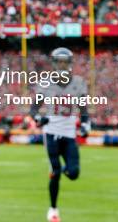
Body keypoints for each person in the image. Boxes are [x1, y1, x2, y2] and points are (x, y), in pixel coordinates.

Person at [30, 48, 90, 222]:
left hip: (69, 134)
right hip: (52, 133)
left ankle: (61, 171)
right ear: (54, 63)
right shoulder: (46, 83)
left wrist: (86, 124)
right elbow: (33, 109)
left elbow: (84, 110)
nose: (62, 65)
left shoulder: (78, 83)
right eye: (59, 61)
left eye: (65, 61)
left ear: (69, 63)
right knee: (55, 172)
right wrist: (39, 119)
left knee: (73, 173)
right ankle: (53, 209)